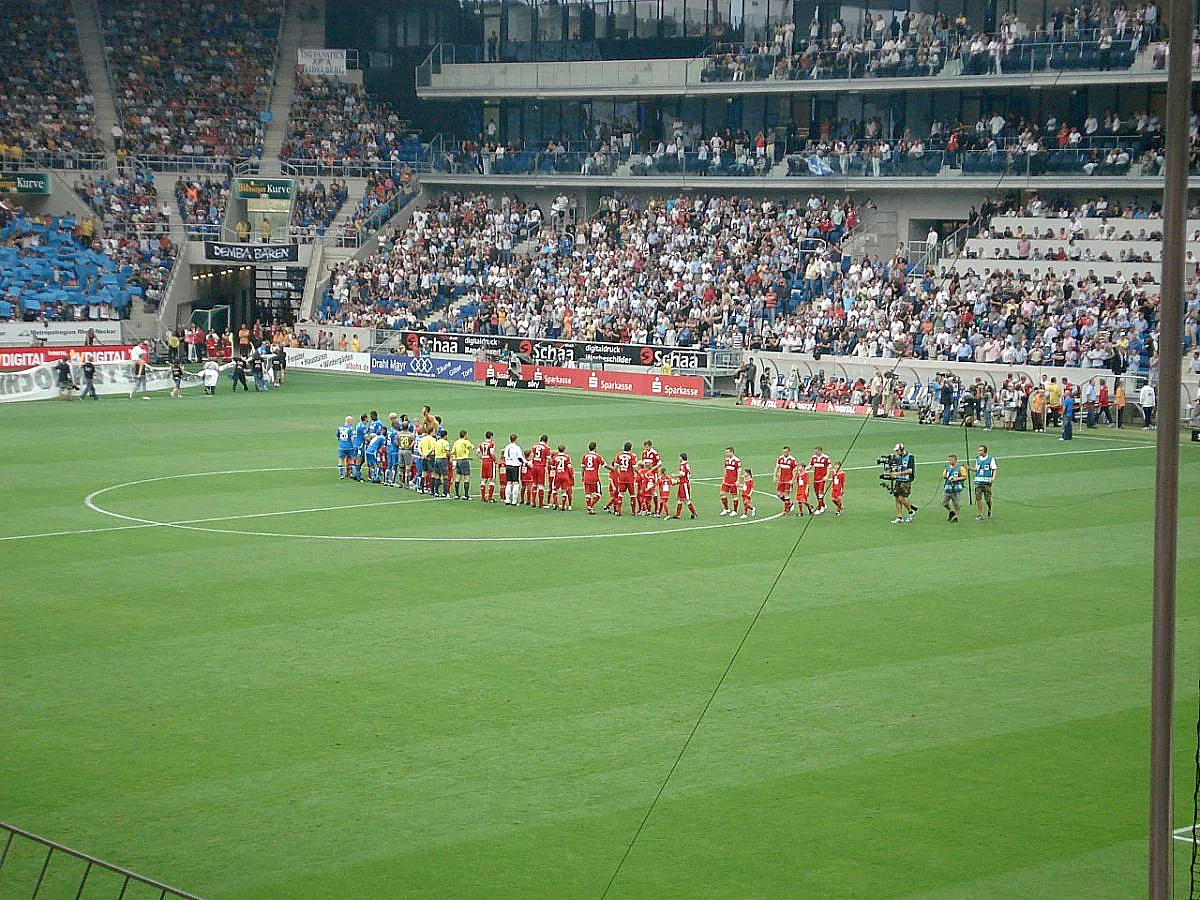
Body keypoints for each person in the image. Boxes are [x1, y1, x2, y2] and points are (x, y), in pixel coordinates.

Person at [888, 442, 918, 524]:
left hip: (906, 480)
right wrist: (893, 472)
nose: (896, 452)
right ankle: (899, 517)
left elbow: (910, 470)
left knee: (901, 497)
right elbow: (897, 468)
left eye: (897, 450)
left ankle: (911, 511)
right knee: (897, 497)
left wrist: (897, 473)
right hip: (899, 480)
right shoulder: (898, 458)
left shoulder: (910, 457)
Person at [501, 434, 527, 506]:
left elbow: (505, 456)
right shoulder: (517, 448)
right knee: (516, 483)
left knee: (509, 483)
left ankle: (507, 500)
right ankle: (514, 501)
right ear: (515, 439)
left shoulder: (507, 447)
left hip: (508, 465)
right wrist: (526, 462)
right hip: (515, 466)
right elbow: (520, 457)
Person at [941, 453, 967, 522]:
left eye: (951, 460)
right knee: (944, 502)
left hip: (956, 488)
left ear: (955, 460)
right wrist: (945, 476)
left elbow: (964, 477)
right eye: (949, 460)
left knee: (957, 504)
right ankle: (951, 511)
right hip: (948, 488)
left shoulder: (961, 468)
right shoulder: (947, 467)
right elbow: (944, 475)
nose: (949, 462)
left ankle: (956, 516)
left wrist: (956, 479)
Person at [974, 444, 997, 520]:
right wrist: (969, 468)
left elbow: (994, 469)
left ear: (985, 451)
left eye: (981, 450)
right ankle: (980, 514)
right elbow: (976, 469)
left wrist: (993, 478)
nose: (979, 452)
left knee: (988, 499)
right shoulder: (977, 459)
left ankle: (989, 509)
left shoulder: (990, 459)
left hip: (987, 482)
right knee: (978, 498)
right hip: (978, 481)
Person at [581, 442, 605, 514]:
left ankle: (589, 506)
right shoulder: (597, 456)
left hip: (586, 477)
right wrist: (612, 469)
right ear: (595, 448)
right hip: (594, 478)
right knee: (598, 493)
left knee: (588, 493)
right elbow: (604, 465)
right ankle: (590, 506)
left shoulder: (585, 456)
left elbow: (583, 467)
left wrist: (582, 476)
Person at [529, 434, 552, 508]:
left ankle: (533, 502)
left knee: (534, 484)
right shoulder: (546, 448)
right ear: (546, 441)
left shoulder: (534, 446)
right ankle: (540, 504)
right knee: (541, 485)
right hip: (541, 467)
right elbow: (549, 459)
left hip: (534, 466)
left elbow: (532, 456)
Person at [673, 452, 697, 520]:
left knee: (686, 500)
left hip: (684, 484)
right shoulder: (687, 464)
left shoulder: (683, 465)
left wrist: (674, 475)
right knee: (679, 499)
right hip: (682, 483)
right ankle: (678, 515)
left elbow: (682, 474)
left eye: (679, 457)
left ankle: (693, 513)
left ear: (682, 458)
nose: (678, 458)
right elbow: (688, 474)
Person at [774, 445, 797, 514]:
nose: (785, 453)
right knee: (779, 494)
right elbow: (777, 468)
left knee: (786, 494)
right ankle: (790, 504)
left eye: (786, 452)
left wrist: (793, 480)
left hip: (788, 480)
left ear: (789, 452)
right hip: (781, 479)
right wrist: (774, 476)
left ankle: (786, 510)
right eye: (784, 452)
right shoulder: (780, 458)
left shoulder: (792, 460)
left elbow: (795, 471)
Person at [719, 447, 742, 516]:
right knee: (722, 494)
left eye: (727, 452)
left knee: (734, 495)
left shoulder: (737, 461)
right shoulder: (726, 460)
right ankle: (726, 509)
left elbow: (739, 471)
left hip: (733, 481)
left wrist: (738, 480)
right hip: (726, 480)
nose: (726, 454)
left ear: (731, 452)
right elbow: (725, 470)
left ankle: (735, 511)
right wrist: (723, 479)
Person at [452, 430, 474, 499]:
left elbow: (453, 452)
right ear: (465, 435)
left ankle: (456, 494)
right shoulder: (466, 442)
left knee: (458, 476)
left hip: (458, 460)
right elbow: (471, 447)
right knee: (466, 477)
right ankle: (466, 495)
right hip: (464, 460)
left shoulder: (456, 442)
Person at [477, 431, 498, 503]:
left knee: (484, 479)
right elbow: (492, 453)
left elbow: (477, 452)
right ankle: (490, 498)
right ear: (491, 436)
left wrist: (482, 457)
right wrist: (495, 460)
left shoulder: (482, 444)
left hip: (484, 461)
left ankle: (483, 497)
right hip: (489, 461)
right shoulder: (492, 444)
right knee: (492, 479)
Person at [551, 444, 573, 510]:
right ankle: (563, 506)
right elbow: (569, 467)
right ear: (564, 449)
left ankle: (555, 503)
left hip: (558, 475)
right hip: (565, 476)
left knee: (554, 489)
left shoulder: (555, 457)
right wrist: (571, 475)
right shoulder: (567, 457)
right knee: (564, 491)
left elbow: (552, 467)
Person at [809, 446, 830, 513]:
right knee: (817, 493)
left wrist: (826, 476)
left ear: (820, 451)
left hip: (822, 479)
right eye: (815, 452)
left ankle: (820, 508)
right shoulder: (813, 457)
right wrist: (805, 468)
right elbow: (810, 465)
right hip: (815, 478)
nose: (815, 453)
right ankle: (822, 504)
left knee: (821, 492)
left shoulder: (826, 458)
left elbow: (829, 468)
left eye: (816, 452)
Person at [434, 430, 452, 497]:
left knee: (437, 475)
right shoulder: (445, 443)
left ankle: (436, 492)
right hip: (442, 459)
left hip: (436, 459)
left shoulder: (437, 442)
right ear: (445, 436)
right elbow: (447, 453)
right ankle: (445, 492)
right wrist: (450, 458)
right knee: (445, 476)